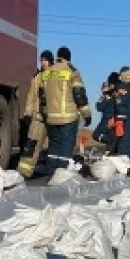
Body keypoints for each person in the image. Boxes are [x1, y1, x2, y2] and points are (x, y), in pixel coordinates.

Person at [38, 46, 91, 173]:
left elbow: (42, 96)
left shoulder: (48, 73)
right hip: (68, 117)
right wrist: (86, 114)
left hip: (51, 118)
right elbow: (79, 95)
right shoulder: (72, 71)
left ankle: (51, 172)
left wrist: (45, 113)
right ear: (69, 58)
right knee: (66, 147)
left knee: (54, 146)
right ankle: (62, 174)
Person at [17, 50, 55, 178]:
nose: (43, 62)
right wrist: (28, 113)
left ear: (50, 61)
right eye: (41, 60)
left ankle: (55, 171)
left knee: (54, 146)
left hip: (53, 118)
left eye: (45, 60)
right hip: (38, 118)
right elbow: (31, 97)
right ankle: (24, 172)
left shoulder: (56, 77)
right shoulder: (37, 78)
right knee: (31, 145)